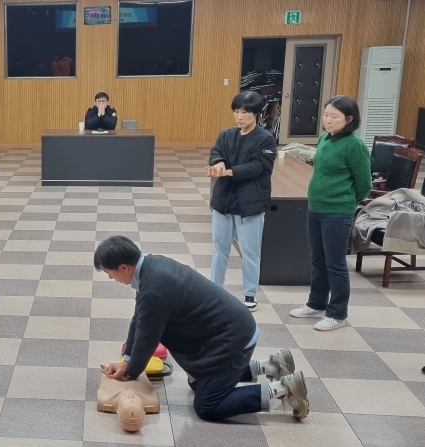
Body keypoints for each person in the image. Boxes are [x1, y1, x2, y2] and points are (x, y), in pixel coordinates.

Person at [95, 235, 309, 422]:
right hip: (231, 330)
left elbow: (147, 337)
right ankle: (270, 366)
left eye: (109, 272)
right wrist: (128, 359)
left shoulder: (154, 289)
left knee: (207, 406)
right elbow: (140, 319)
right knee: (197, 383)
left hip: (233, 339)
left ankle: (283, 389)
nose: (111, 278)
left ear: (123, 267)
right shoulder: (151, 267)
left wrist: (131, 372)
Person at [289, 96, 371, 331]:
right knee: (318, 260)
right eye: (326, 115)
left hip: (338, 213)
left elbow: (364, 184)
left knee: (336, 264)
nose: (328, 120)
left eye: (334, 116)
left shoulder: (355, 146)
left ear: (349, 119)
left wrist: (346, 202)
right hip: (316, 209)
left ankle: (337, 314)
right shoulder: (325, 138)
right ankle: (316, 303)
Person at [207, 91, 276, 312]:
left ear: (255, 113)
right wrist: (218, 163)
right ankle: (215, 290)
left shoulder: (266, 139)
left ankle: (250, 293)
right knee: (220, 248)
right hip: (224, 201)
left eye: (245, 112)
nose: (239, 116)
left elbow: (259, 166)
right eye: (236, 111)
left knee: (250, 251)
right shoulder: (227, 134)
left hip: (251, 203)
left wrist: (228, 172)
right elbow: (216, 152)